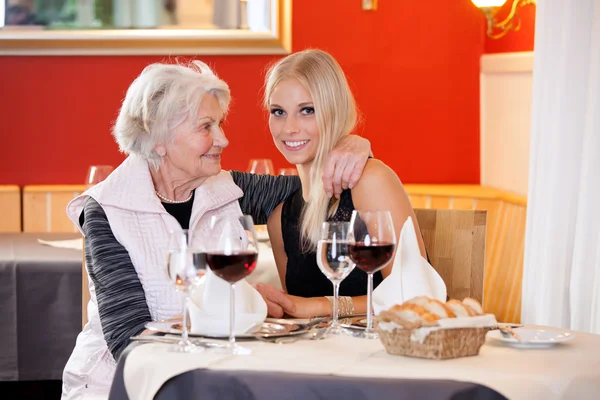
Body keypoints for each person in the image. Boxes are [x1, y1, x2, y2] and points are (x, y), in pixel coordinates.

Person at [61, 60, 371, 399]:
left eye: (220, 123)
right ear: (158, 135)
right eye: (206, 126)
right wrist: (239, 312)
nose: (223, 139)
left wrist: (352, 145)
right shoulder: (106, 210)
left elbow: (319, 190)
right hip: (125, 385)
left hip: (216, 379)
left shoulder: (228, 187)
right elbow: (128, 337)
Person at [256, 49, 427, 319]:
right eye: (278, 112)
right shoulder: (280, 219)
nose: (289, 127)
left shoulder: (370, 180)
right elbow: (297, 316)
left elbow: (416, 296)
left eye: (307, 110)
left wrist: (319, 305)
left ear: (333, 111)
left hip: (393, 351)